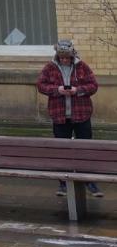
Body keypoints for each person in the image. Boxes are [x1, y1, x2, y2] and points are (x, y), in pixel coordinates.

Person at [37, 39, 101, 198]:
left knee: (85, 148)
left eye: (67, 57)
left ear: (72, 55)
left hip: (81, 113)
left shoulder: (82, 66)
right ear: (57, 56)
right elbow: (41, 85)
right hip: (59, 115)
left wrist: (77, 90)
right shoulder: (50, 67)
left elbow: (93, 85)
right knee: (62, 150)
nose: (64, 60)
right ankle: (63, 183)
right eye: (62, 57)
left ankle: (89, 181)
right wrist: (57, 90)